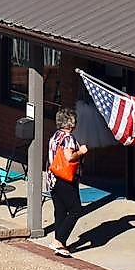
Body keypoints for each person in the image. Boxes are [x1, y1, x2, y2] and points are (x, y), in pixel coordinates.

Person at [46, 108, 89, 253]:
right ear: (71, 123)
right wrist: (81, 152)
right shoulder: (68, 138)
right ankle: (59, 241)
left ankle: (58, 242)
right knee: (76, 210)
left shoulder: (55, 137)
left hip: (53, 179)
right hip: (66, 179)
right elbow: (69, 157)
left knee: (60, 211)